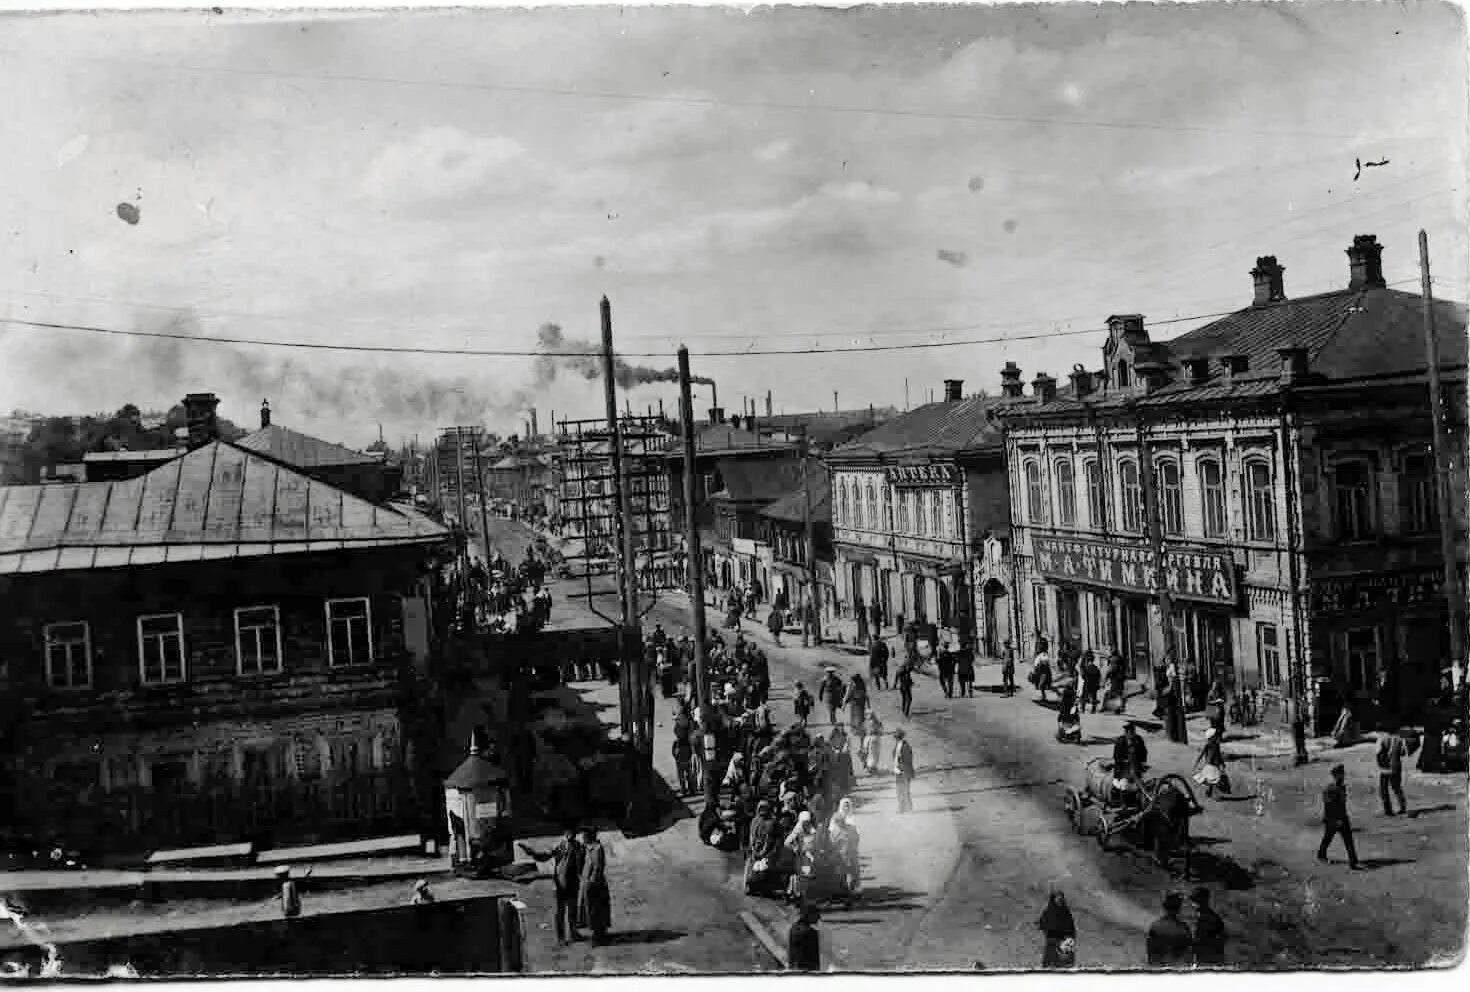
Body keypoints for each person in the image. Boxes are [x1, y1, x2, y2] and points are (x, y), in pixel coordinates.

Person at [520, 827, 583, 944]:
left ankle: (574, 933)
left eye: (572, 832)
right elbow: (544, 856)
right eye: (568, 832)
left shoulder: (579, 847)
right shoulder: (559, 846)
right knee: (560, 911)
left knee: (572, 910)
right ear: (565, 833)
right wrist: (531, 853)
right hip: (560, 883)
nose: (570, 835)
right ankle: (561, 937)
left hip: (573, 883)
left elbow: (582, 864)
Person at [1317, 764, 1362, 869]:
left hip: (1342, 817)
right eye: (1340, 775)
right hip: (1333, 819)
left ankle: (1353, 861)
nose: (1342, 777)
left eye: (1342, 775)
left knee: (1347, 839)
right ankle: (1321, 854)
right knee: (1328, 838)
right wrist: (1335, 820)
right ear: (1335, 776)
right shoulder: (1330, 789)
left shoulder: (1341, 787)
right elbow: (1329, 806)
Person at [578, 827, 612, 943]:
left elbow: (598, 868)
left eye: (584, 836)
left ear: (589, 836)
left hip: (595, 885)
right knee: (591, 910)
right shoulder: (589, 848)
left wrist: (590, 882)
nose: (583, 838)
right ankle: (597, 933)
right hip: (588, 883)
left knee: (596, 910)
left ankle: (599, 936)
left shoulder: (597, 849)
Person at [1146, 892, 1193, 967]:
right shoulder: (1184, 928)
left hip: (1161, 968)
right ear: (1179, 908)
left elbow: (1151, 954)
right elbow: (1189, 954)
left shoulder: (1156, 926)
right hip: (1177, 968)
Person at [1037, 890, 1076, 968]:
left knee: (1064, 962)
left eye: (1061, 899)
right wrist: (1043, 926)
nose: (1059, 900)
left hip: (1063, 940)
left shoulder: (1066, 911)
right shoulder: (1049, 910)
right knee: (1050, 961)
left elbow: (1071, 926)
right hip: (1052, 940)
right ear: (1053, 899)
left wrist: (1071, 937)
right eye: (1057, 899)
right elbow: (1043, 922)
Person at [1376, 726, 1410, 816]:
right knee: (1397, 787)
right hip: (1396, 765)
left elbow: (1378, 753)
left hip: (1385, 767)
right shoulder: (1399, 739)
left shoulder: (1382, 739)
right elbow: (1403, 752)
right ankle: (1402, 807)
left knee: (1384, 789)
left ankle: (1388, 810)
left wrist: (1381, 764)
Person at [1189, 887, 1227, 966]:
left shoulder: (1212, 919)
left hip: (1208, 961)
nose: (1194, 905)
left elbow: (1220, 942)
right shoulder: (1201, 918)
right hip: (1202, 960)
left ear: (1205, 901)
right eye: (1194, 902)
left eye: (1197, 902)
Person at [1192, 726, 1228, 798]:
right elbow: (1201, 754)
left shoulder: (1217, 745)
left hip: (1215, 764)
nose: (1217, 737)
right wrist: (1197, 762)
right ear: (1211, 738)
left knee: (1213, 780)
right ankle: (1215, 795)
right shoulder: (1208, 745)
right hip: (1210, 765)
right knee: (1215, 780)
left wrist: (1222, 763)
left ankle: (1209, 792)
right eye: (1216, 736)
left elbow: (1219, 755)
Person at [787, 902, 822, 971]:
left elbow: (792, 956)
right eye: (816, 915)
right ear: (809, 915)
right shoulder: (811, 933)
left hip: (794, 970)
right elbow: (814, 960)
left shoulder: (793, 928)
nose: (818, 918)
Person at [672, 704, 697, 796]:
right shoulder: (690, 722)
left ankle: (683, 790)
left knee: (681, 771)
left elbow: (678, 733)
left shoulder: (680, 723)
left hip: (681, 747)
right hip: (688, 748)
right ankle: (692, 789)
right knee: (689, 770)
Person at [892, 728, 916, 813]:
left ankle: (908, 808)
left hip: (905, 771)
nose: (896, 738)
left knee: (905, 790)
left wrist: (901, 767)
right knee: (899, 790)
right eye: (895, 737)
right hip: (898, 771)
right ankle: (902, 808)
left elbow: (908, 760)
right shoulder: (898, 745)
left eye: (897, 737)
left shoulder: (906, 746)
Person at [859, 711, 884, 775]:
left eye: (869, 715)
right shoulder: (867, 722)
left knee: (873, 753)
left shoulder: (874, 722)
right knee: (871, 753)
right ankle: (870, 766)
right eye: (867, 715)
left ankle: (871, 767)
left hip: (873, 739)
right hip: (871, 739)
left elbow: (880, 730)